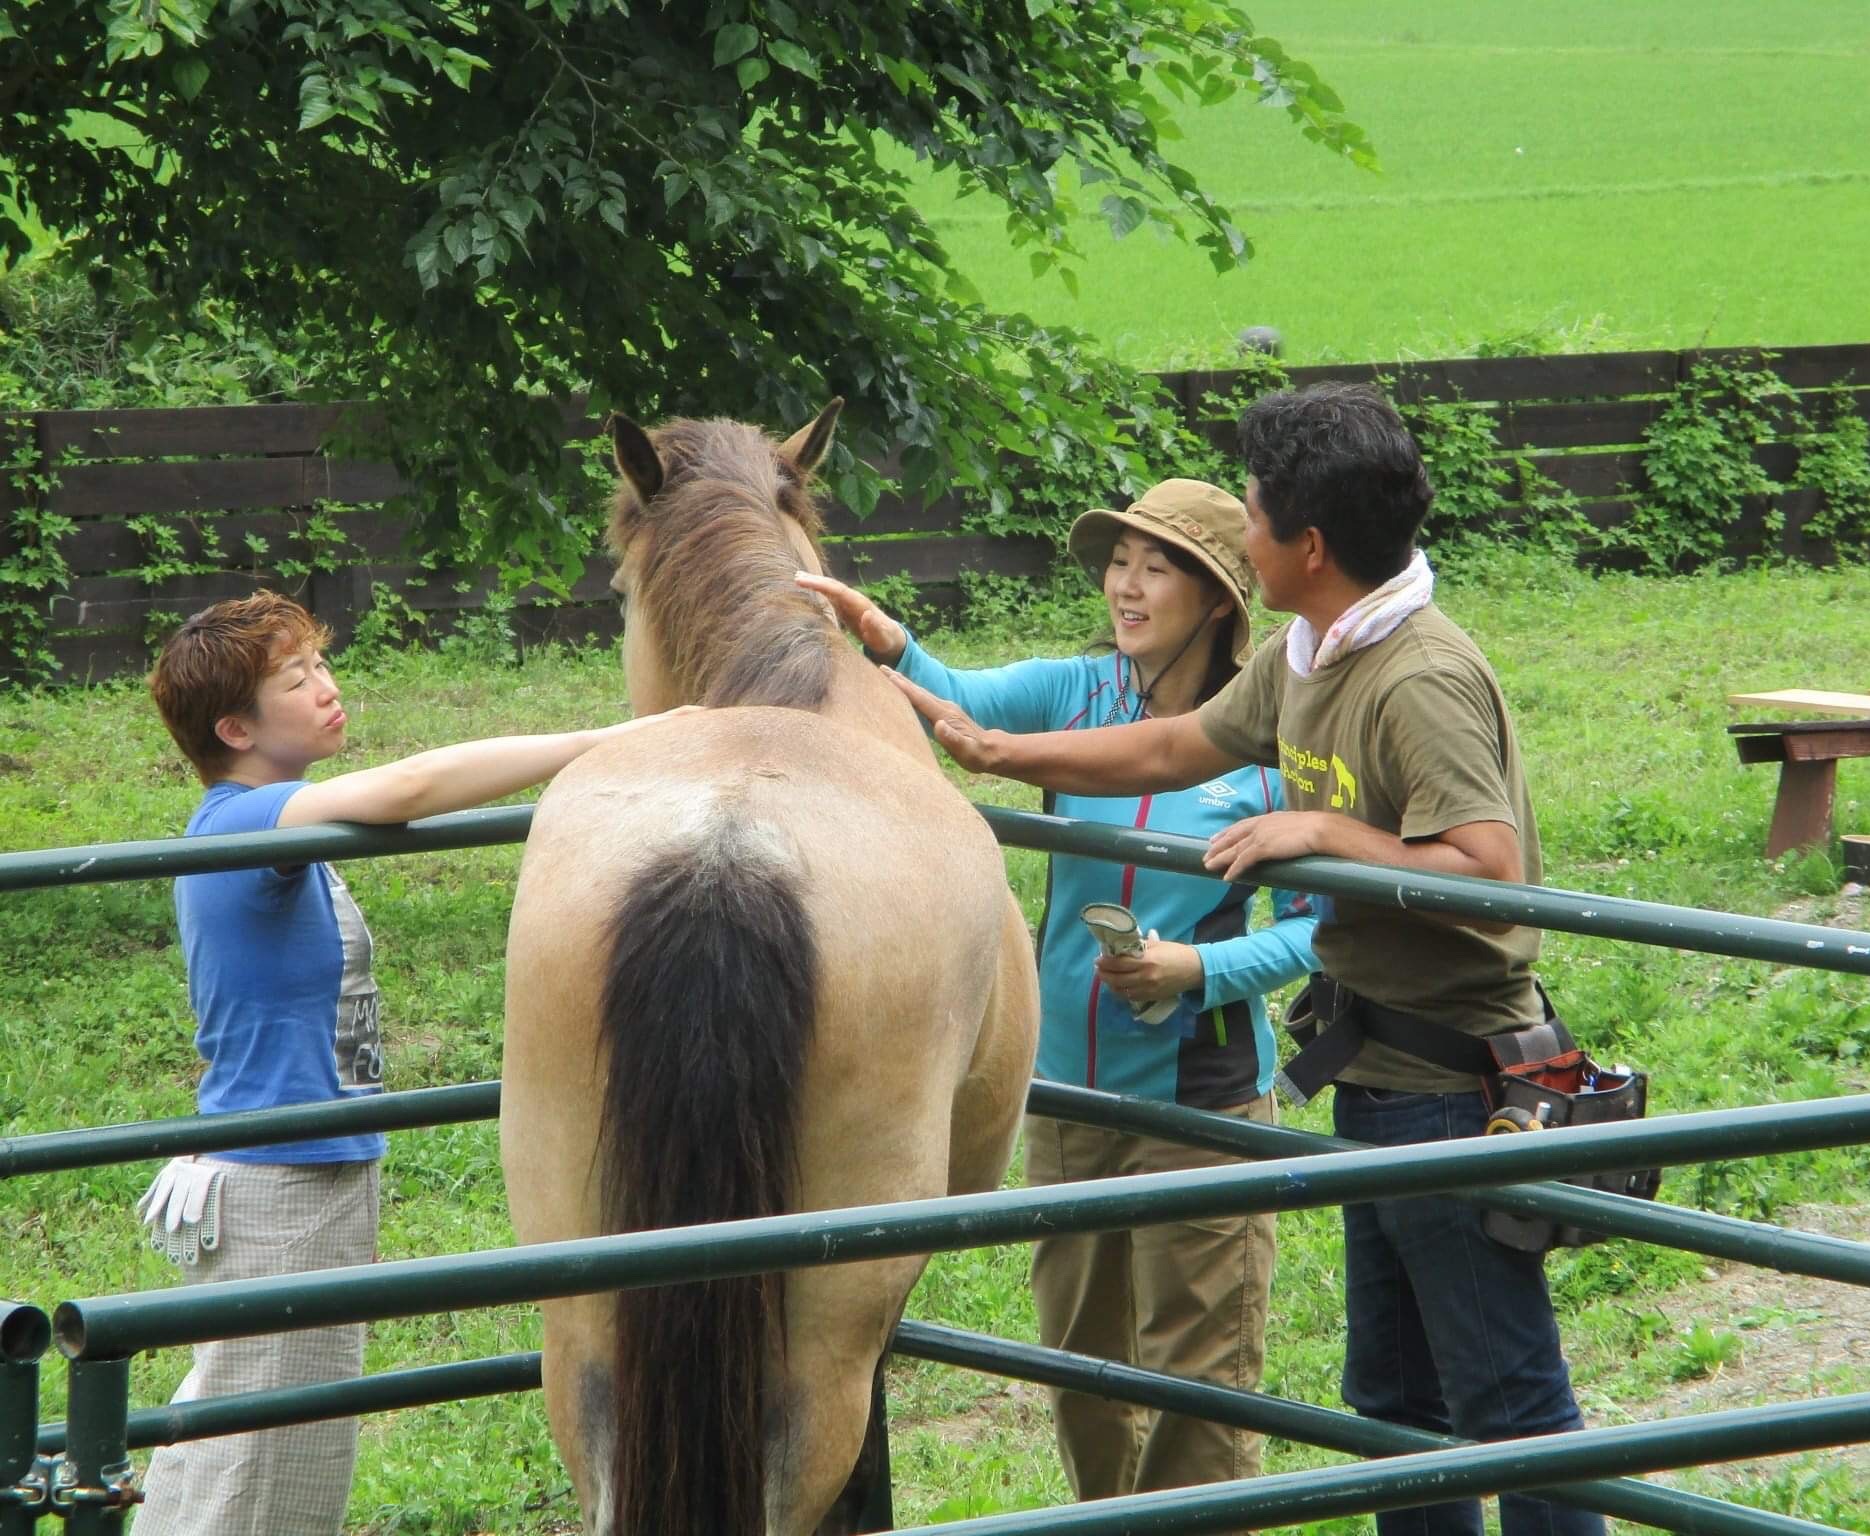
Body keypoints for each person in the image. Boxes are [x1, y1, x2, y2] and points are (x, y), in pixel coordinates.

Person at [886, 385, 1601, 1536]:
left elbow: (1490, 870)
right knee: (1392, 1409)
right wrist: (1001, 749)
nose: (1244, 523)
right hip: (1370, 1074)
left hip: (1449, 1089)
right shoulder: (1306, 652)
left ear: (1303, 546)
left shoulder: (1416, 676)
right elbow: (1178, 743)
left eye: (1254, 509)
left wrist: (1322, 833)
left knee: (1505, 1403)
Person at [797, 479, 1316, 1513]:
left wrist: (1198, 969)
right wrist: (888, 645)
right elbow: (966, 705)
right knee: (1081, 1372)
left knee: (1196, 1377)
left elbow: (1317, 928)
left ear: (1215, 596)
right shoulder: (1076, 691)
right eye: (1117, 561)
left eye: (1153, 566)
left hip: (1201, 1104)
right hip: (1067, 1098)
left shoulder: (1268, 743)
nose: (1125, 585)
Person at [136, 590, 684, 1536]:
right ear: (234, 727)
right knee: (259, 1474)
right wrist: (612, 740)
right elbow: (409, 788)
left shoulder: (284, 831)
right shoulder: (239, 822)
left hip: (308, 1170)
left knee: (256, 1451)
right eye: (296, 680)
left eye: (321, 666)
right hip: (278, 1182)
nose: (327, 689)